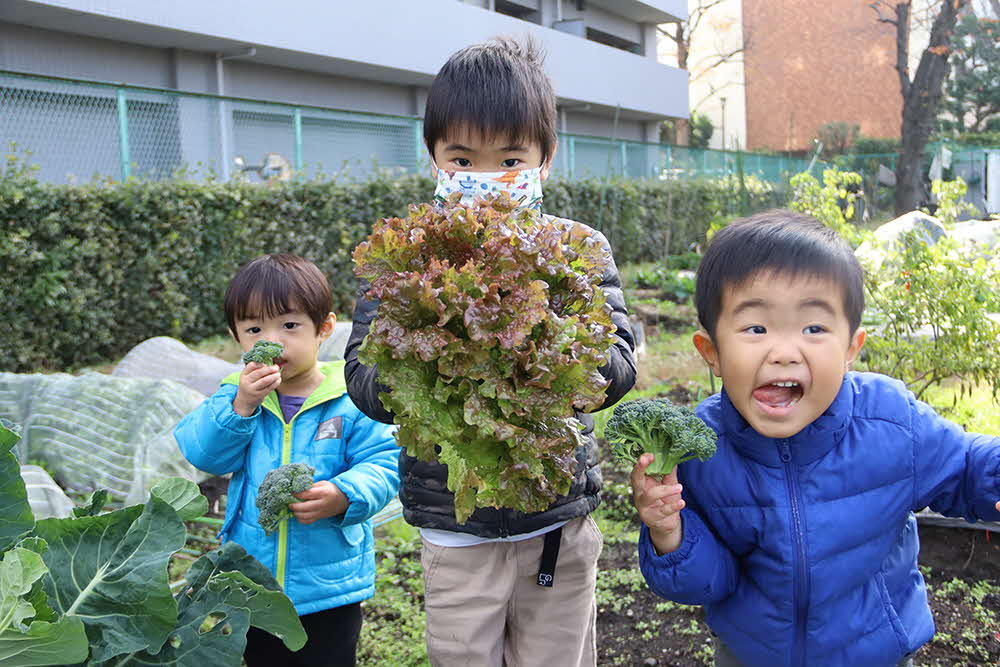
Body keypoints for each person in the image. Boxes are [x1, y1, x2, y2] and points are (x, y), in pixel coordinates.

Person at [345, 38, 636, 667]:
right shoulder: (408, 259)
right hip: (454, 528)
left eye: (509, 157)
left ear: (545, 160)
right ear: (434, 160)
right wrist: (433, 359)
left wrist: (548, 346)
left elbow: (619, 365)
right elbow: (363, 381)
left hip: (557, 522)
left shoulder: (578, 248)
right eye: (462, 158)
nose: (485, 178)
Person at [630, 210, 1000, 667]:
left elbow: (964, 468)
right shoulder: (700, 448)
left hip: (875, 653)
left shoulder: (891, 420)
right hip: (751, 656)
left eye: (814, 328)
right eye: (756, 328)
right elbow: (709, 582)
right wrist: (670, 532)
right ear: (713, 353)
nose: (784, 352)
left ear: (850, 349)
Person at [175, 253, 400, 666]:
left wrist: (343, 493)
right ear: (237, 337)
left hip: (329, 587)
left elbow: (385, 462)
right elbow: (202, 452)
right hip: (252, 585)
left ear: (325, 329)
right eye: (255, 328)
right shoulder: (234, 395)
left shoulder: (350, 399)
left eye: (290, 325)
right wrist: (242, 406)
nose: (274, 341)